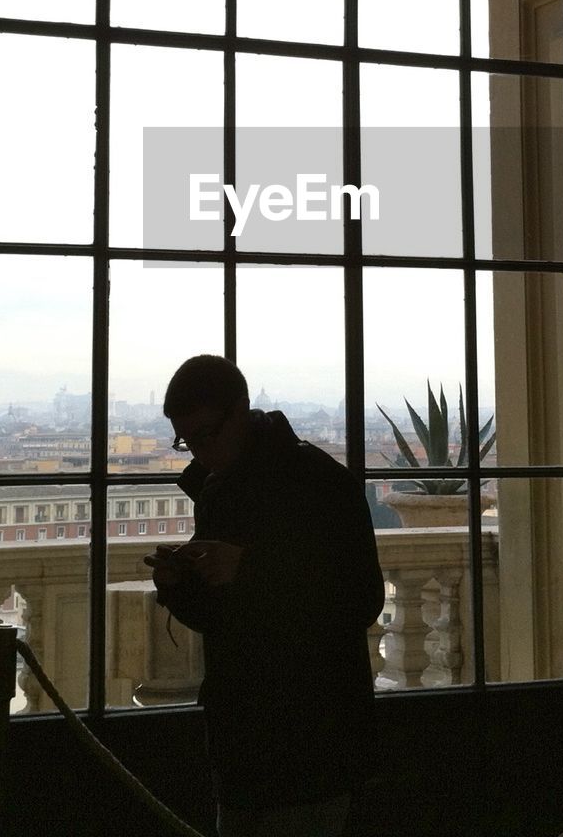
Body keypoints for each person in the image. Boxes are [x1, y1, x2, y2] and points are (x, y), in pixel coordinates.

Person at [145, 354, 385, 837]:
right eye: (186, 441)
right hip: (269, 733)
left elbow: (362, 598)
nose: (198, 452)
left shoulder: (314, 483)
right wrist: (182, 586)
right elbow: (230, 612)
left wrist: (245, 568)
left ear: (243, 410)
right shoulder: (251, 482)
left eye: (206, 436)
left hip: (304, 735)